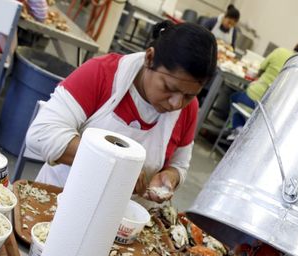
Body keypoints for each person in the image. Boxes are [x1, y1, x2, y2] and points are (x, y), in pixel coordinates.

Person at [24, 22, 217, 202]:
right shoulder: (101, 74)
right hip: (59, 198)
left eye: (189, 95)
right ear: (149, 58)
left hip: (125, 222)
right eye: (168, 87)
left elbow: (180, 165)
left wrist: (170, 177)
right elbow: (42, 133)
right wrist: (116, 167)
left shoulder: (187, 108)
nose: (176, 103)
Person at [226, 39, 298, 140]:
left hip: (253, 96)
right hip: (268, 109)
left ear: (297, 45)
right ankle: (243, 132)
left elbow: (262, 67)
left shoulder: (280, 51)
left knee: (234, 97)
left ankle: (237, 128)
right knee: (250, 114)